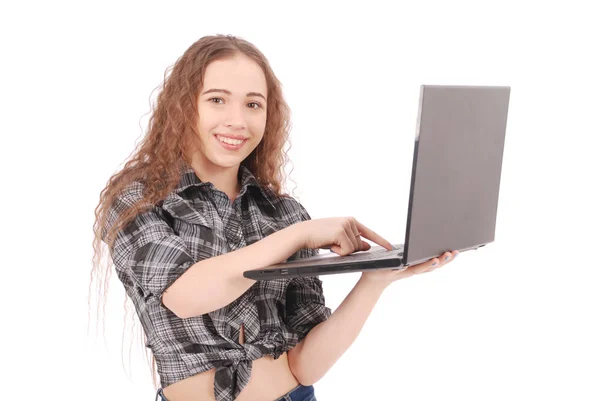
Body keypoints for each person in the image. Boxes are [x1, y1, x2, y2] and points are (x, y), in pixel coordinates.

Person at [91, 34, 459, 401]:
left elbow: (305, 367)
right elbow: (186, 294)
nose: (237, 121)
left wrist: (373, 281)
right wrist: (297, 236)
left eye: (253, 104)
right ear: (184, 107)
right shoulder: (139, 201)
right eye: (217, 100)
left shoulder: (283, 213)